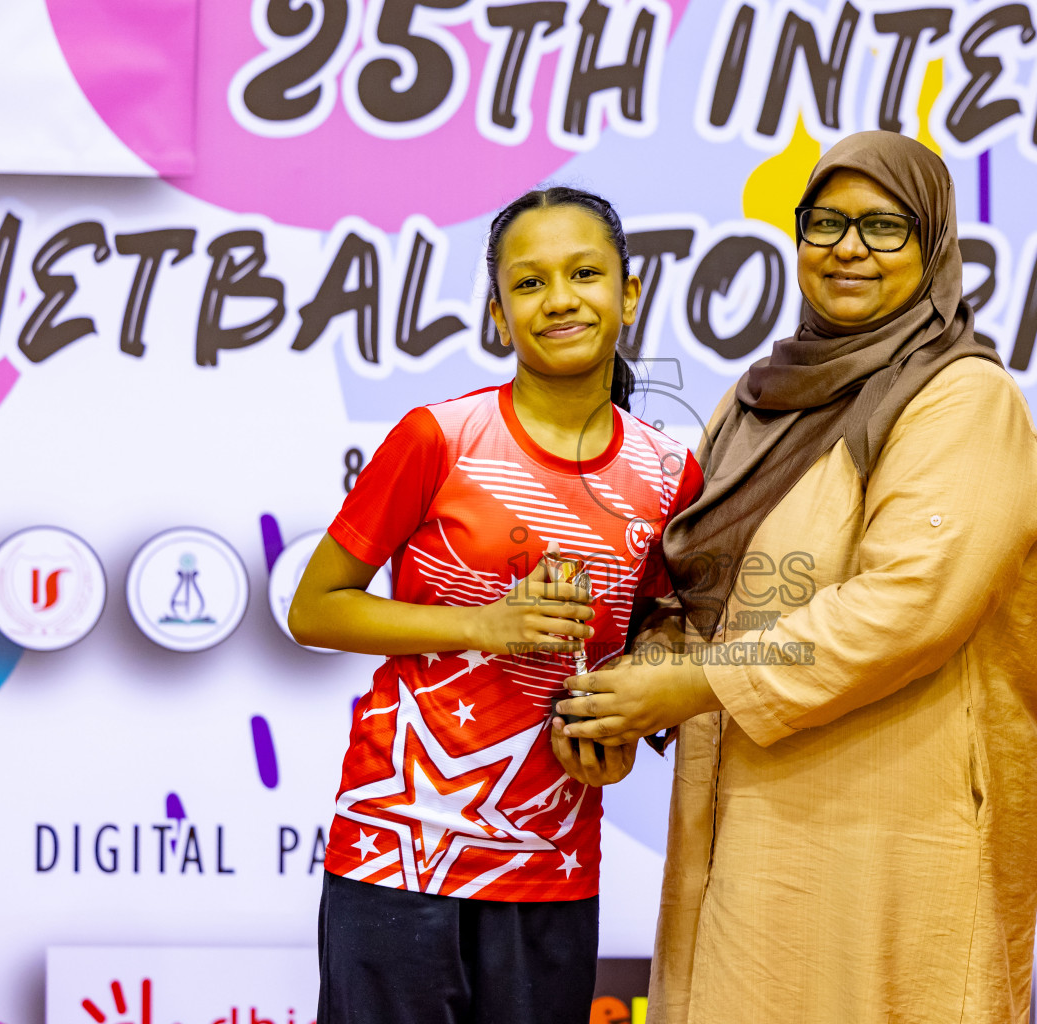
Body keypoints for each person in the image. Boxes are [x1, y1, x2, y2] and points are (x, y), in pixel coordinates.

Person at [555, 132, 1037, 1022]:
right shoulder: (757, 401)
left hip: (894, 819)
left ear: (934, 245)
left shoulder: (961, 397)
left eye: (883, 226)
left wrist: (691, 686)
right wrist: (623, 696)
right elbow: (690, 584)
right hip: (743, 814)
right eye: (825, 222)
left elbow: (908, 604)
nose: (848, 247)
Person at [288, 186, 703, 1024]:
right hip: (397, 851)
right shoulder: (439, 438)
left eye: (585, 273)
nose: (559, 299)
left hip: (551, 860)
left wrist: (616, 735)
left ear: (629, 294)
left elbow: (656, 646)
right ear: (497, 314)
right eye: (529, 282)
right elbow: (315, 608)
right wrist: (484, 625)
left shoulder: (669, 474)